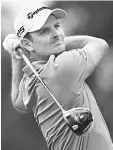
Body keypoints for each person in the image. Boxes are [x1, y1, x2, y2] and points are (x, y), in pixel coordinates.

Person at [3, 3, 113, 150]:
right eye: (44, 31)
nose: (56, 33)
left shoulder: (31, 78)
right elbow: (100, 44)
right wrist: (59, 42)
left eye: (57, 26)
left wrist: (16, 56)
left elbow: (18, 101)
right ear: (27, 44)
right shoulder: (64, 65)